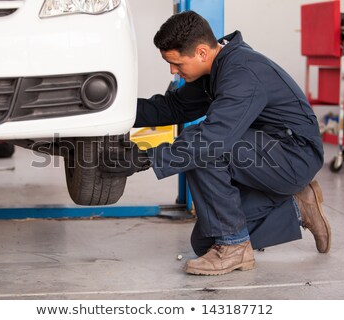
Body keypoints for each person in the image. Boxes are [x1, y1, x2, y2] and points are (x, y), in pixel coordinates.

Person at [99, 11, 331, 276]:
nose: (172, 71)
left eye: (176, 63)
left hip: (294, 156)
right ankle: (298, 207)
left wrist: (145, 159)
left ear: (200, 52)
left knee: (202, 147)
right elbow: (172, 107)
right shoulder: (217, 67)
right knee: (205, 242)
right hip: (268, 154)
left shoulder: (242, 73)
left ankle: (234, 247)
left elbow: (212, 141)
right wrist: (112, 109)